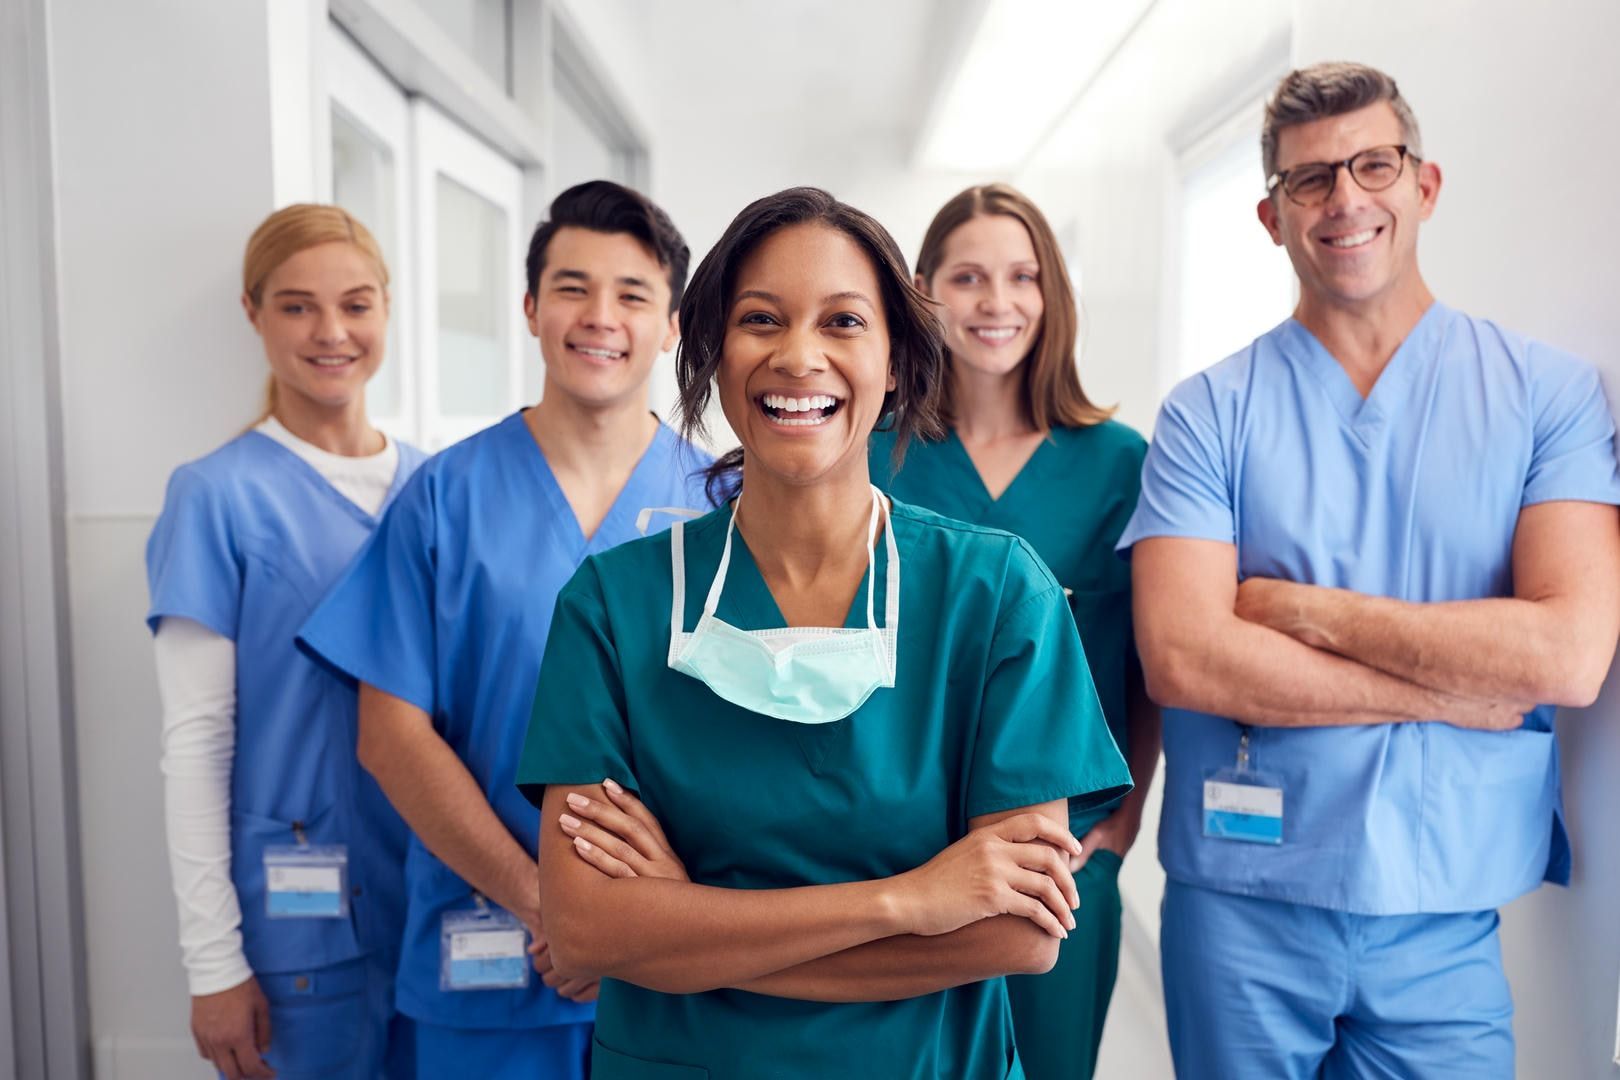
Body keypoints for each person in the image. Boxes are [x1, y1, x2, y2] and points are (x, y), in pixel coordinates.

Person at [516, 186, 1133, 1080]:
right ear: (713, 354)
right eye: (761, 319)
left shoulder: (998, 594)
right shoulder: (615, 605)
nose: (799, 356)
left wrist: (688, 920)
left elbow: (1020, 933)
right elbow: (585, 926)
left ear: (895, 364)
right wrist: (911, 900)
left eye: (843, 322)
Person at [1120, 62, 1620, 1078]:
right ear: (1271, 216)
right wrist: (1462, 689)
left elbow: (1566, 656)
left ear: (1423, 186)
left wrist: (1303, 612)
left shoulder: (1548, 398)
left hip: (1446, 915)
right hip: (1240, 909)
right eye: (1310, 180)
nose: (1345, 198)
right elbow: (1184, 657)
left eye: (1373, 165)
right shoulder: (1208, 413)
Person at [296, 180, 711, 1079]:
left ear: (674, 324)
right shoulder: (445, 498)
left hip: (678, 974)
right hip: (487, 953)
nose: (600, 316)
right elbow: (391, 735)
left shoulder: (728, 507)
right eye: (572, 287)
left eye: (633, 294)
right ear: (529, 308)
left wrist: (643, 925)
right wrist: (546, 908)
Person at [869, 182, 1157, 1080]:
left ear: (1052, 294)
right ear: (924, 292)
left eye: (1023, 276)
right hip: (902, 851)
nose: (998, 303)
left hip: (1062, 860)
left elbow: (1145, 667)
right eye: (968, 277)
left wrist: (1124, 820)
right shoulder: (875, 455)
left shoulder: (1118, 463)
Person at [146, 204, 425, 1080]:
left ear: (387, 308)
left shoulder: (436, 485)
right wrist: (212, 964)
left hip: (440, 911)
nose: (332, 331)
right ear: (253, 313)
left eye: (356, 303)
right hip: (297, 936)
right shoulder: (215, 498)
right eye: (298, 306)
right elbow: (195, 745)